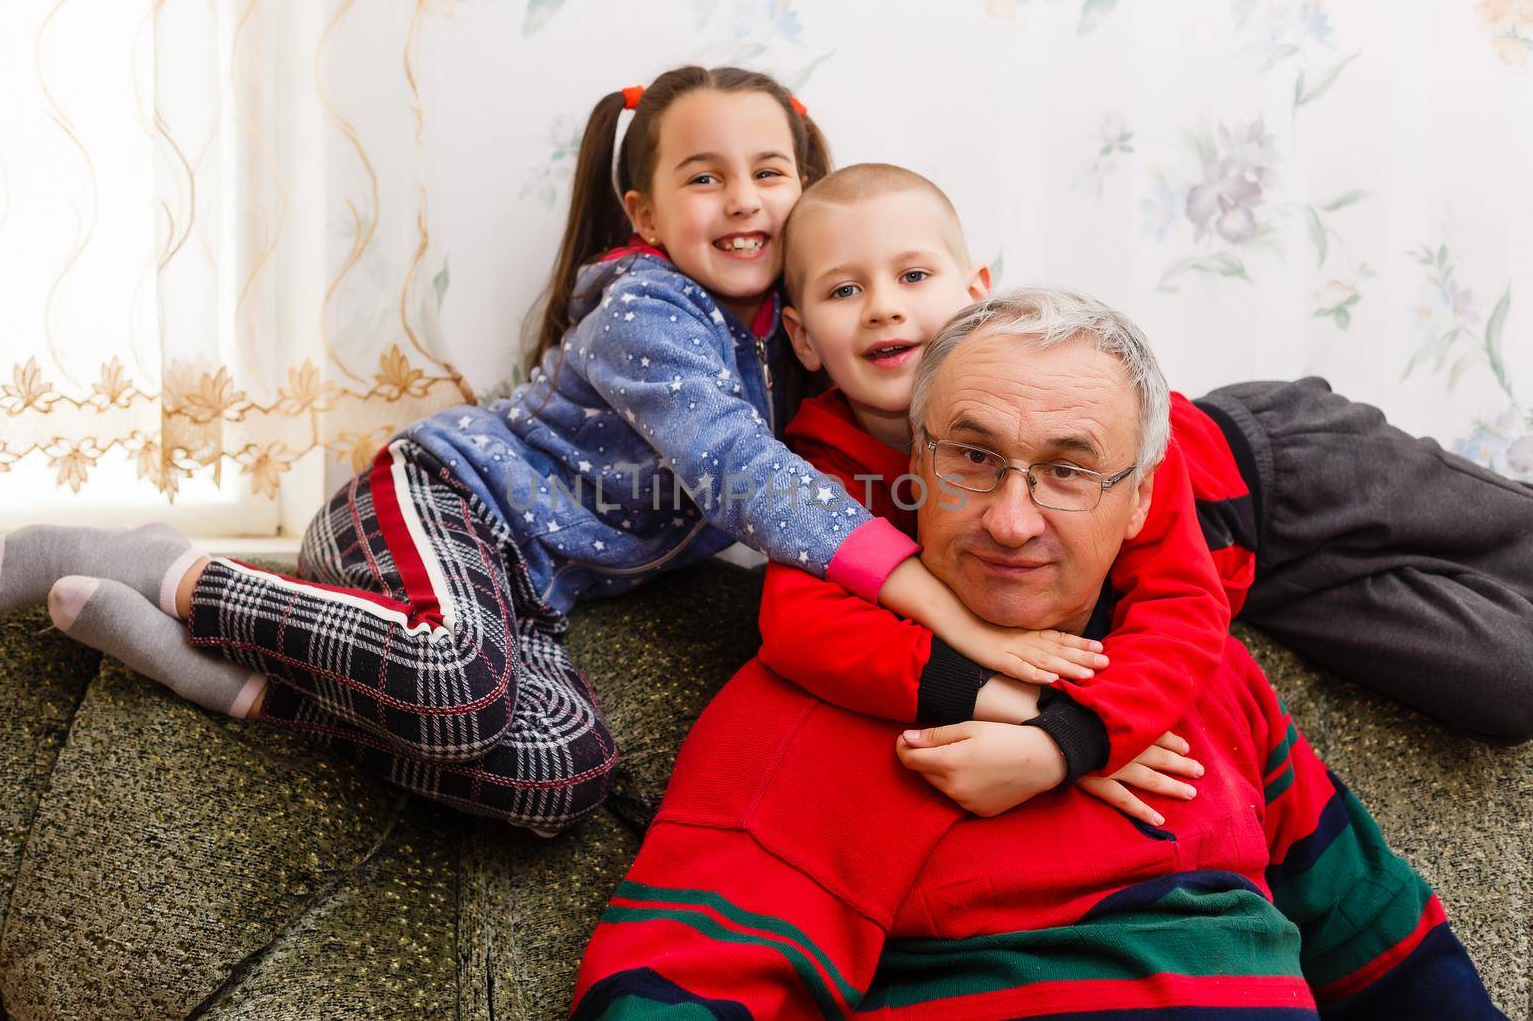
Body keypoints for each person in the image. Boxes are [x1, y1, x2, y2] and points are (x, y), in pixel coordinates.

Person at [0, 68, 1102, 836]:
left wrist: (1072, 728)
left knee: (562, 773)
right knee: (455, 668)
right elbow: (746, 478)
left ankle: (240, 684)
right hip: (443, 503)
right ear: (646, 212)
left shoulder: (791, 342)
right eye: (705, 176)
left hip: (526, 599)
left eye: (771, 171)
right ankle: (177, 564)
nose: (744, 198)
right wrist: (954, 621)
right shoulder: (648, 311)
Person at [571, 293, 1504, 1019]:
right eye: (972, 457)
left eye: (1068, 469)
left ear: (1140, 502)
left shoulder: (1205, 673)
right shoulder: (811, 703)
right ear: (916, 468)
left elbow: (1387, 945)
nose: (1011, 521)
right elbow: (670, 989)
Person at [757, 165, 1533, 837]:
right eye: (845, 289)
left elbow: (1178, 602)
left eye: (914, 276)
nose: (884, 307)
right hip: (1261, 583)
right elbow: (798, 623)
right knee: (1508, 679)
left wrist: (1068, 740)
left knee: (1515, 536)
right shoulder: (818, 476)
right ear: (801, 336)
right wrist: (1009, 701)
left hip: (1280, 466)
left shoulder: (1093, 447)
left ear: (977, 293)